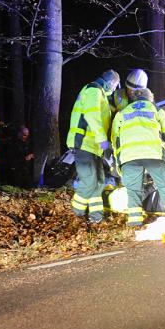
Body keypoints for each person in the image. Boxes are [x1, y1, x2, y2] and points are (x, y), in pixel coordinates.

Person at [111, 85, 165, 231]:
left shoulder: (122, 113)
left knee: (133, 190)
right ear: (150, 98)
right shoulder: (155, 110)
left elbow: (115, 140)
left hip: (129, 157)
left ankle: (135, 223)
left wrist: (119, 164)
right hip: (153, 154)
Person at [66, 69, 120, 223]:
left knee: (99, 182)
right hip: (83, 143)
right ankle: (76, 214)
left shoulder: (99, 94)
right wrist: (103, 141)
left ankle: (96, 217)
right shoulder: (93, 90)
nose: (115, 89)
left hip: (93, 146)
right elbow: (91, 116)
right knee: (89, 182)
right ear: (110, 82)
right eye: (115, 85)